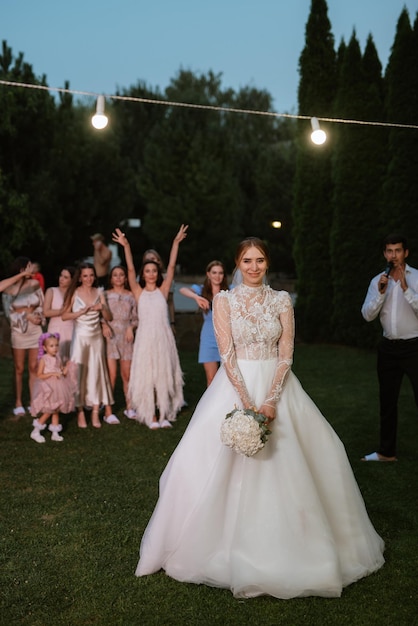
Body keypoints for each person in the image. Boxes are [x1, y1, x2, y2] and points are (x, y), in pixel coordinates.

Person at [135, 237, 385, 599]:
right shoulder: (224, 300)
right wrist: (246, 402)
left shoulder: (282, 300)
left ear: (268, 263)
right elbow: (227, 354)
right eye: (247, 260)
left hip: (277, 386)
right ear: (239, 263)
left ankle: (302, 543)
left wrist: (270, 400)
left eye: (260, 260)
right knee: (208, 464)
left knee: (310, 454)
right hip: (235, 386)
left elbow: (286, 354)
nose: (254, 266)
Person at [112, 225, 188, 429]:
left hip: (163, 338)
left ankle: (163, 413)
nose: (152, 274)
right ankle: (151, 415)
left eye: (154, 270)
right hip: (145, 338)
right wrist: (126, 246)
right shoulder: (138, 291)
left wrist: (175, 243)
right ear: (143, 275)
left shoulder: (163, 290)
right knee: (148, 375)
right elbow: (129, 269)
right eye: (147, 271)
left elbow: (171, 268)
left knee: (163, 373)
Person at [361, 233, 418, 462]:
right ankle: (386, 452)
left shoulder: (416, 278)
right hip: (388, 349)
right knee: (387, 402)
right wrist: (381, 294)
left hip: (415, 347)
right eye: (389, 251)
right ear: (385, 254)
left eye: (398, 251)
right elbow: (367, 315)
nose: (393, 255)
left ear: (406, 253)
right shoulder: (378, 281)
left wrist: (406, 288)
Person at [62, 262, 117, 428]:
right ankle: (79, 411)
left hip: (96, 338)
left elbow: (108, 318)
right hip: (80, 337)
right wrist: (79, 312)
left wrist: (102, 307)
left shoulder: (99, 292)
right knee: (78, 372)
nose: (89, 279)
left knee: (97, 371)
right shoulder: (74, 292)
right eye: (85, 276)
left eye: (91, 275)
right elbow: (64, 315)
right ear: (80, 277)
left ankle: (94, 412)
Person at [2, 257, 45, 416]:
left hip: (35, 330)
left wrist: (38, 316)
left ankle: (33, 400)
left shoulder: (34, 285)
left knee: (34, 367)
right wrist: (25, 316)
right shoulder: (9, 289)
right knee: (19, 368)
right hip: (19, 331)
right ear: (21, 269)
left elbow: (41, 304)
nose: (32, 268)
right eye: (28, 266)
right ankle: (18, 401)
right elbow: (9, 313)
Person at [179, 260, 229, 386]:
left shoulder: (230, 291)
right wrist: (197, 297)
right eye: (214, 272)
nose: (217, 276)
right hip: (208, 337)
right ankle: (212, 406)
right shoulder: (201, 290)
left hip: (227, 338)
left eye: (220, 273)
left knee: (228, 379)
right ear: (208, 274)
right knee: (211, 378)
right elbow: (183, 290)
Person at [102, 265, 138, 419]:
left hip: (126, 336)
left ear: (125, 277)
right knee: (111, 375)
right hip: (110, 336)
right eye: (115, 275)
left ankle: (129, 406)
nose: (118, 277)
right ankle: (108, 410)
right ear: (111, 278)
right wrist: (103, 325)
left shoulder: (131, 296)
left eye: (121, 275)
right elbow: (99, 314)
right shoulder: (105, 294)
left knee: (127, 374)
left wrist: (131, 327)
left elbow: (136, 317)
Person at [30, 332, 77, 443]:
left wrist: (68, 367)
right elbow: (39, 375)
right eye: (51, 346)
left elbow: (62, 373)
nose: (55, 348)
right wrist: (52, 374)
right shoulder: (44, 359)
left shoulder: (58, 358)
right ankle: (36, 430)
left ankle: (55, 433)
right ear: (45, 348)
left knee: (56, 410)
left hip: (59, 387)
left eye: (56, 345)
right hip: (49, 387)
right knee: (49, 410)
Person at [43, 266, 76, 361]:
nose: (61, 279)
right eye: (61, 276)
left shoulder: (75, 293)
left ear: (72, 280)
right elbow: (46, 312)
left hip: (71, 328)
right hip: (55, 329)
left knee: (71, 360)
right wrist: (62, 311)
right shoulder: (51, 291)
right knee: (55, 359)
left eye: (65, 277)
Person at [142, 249, 176, 329]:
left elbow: (170, 302)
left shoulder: (166, 278)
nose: (151, 261)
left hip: (162, 319)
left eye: (153, 259)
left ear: (159, 261)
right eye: (148, 260)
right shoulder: (140, 279)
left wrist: (172, 322)